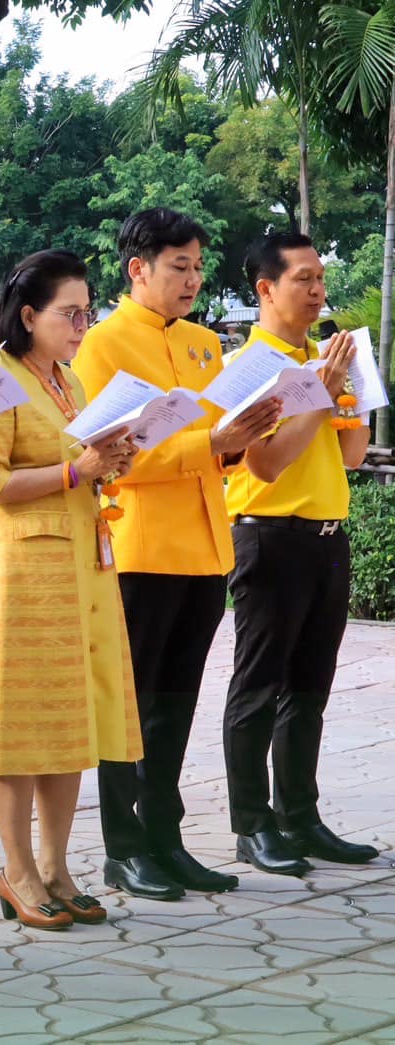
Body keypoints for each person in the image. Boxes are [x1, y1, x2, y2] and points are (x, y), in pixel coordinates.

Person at [74, 208, 281, 901]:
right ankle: (122, 846)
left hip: (203, 546)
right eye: (177, 267)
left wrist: (244, 432)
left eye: (196, 266)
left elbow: (213, 444)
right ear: (137, 269)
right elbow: (115, 458)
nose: (191, 279)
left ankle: (165, 837)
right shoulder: (101, 345)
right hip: (138, 545)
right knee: (128, 704)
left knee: (174, 703)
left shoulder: (202, 343)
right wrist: (214, 444)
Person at [0, 250, 142, 931]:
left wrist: (108, 462)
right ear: (28, 314)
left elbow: (83, 461)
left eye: (85, 312)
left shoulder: (67, 379)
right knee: (17, 724)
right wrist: (76, 471)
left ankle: (57, 865)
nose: (79, 324)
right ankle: (16, 870)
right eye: (69, 313)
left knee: (69, 719)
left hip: (80, 567)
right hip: (21, 575)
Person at [223, 232, 378, 875]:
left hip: (325, 537)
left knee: (309, 687)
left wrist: (355, 396)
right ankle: (252, 826)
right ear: (266, 288)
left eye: (321, 279)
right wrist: (321, 390)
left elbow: (349, 457)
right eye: (303, 280)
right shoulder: (249, 369)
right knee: (259, 685)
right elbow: (264, 462)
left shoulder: (324, 359)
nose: (317, 292)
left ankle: (301, 816)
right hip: (269, 535)